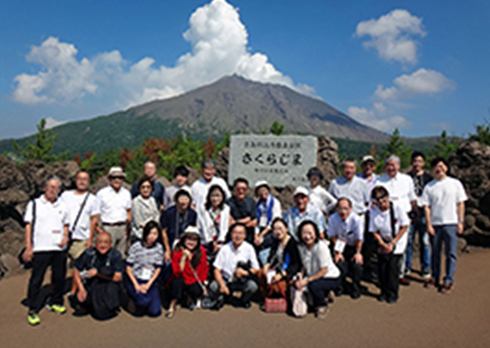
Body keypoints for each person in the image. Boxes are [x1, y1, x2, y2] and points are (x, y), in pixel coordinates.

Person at [23, 177, 70, 326]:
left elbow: (66, 225)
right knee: (37, 278)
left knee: (59, 276)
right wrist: (28, 247)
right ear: (44, 188)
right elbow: (28, 226)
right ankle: (33, 307)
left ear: (59, 190)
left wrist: (66, 237)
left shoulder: (63, 205)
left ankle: (55, 301)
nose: (52, 190)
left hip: (58, 247)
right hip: (40, 247)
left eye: (56, 187)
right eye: (50, 186)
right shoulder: (35, 204)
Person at [422, 157, 467, 293]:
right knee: (435, 252)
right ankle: (435, 276)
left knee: (451, 253)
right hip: (436, 224)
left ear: (446, 168)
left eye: (441, 166)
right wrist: (429, 225)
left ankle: (448, 279)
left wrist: (461, 221)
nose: (439, 168)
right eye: (436, 166)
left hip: (451, 223)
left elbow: (460, 203)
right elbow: (426, 207)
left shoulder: (455, 183)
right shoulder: (429, 186)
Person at [375, 155, 416, 285]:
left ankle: (400, 273)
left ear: (398, 166)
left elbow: (412, 197)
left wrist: (414, 213)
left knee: (402, 247)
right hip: (385, 218)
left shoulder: (407, 179)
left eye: (393, 165)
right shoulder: (379, 180)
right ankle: (386, 275)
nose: (391, 168)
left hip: (403, 217)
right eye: (388, 165)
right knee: (386, 246)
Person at [61, 171, 100, 297]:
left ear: (89, 182)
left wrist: (90, 238)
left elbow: (94, 220)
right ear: (75, 180)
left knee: (78, 267)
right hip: (63, 237)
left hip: (81, 238)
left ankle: (74, 291)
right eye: (79, 179)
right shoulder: (65, 195)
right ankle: (55, 291)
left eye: (85, 179)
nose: (82, 181)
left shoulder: (93, 199)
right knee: (59, 267)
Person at [369, 186, 410, 304]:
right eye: (378, 201)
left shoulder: (397, 208)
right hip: (383, 241)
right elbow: (373, 230)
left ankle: (392, 293)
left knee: (392, 269)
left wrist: (393, 242)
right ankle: (383, 291)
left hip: (397, 239)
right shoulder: (374, 212)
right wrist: (382, 243)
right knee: (382, 269)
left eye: (383, 199)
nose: (381, 203)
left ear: (387, 197)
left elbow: (404, 226)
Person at [70, 232, 124, 320]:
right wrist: (81, 288)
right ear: (95, 243)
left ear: (110, 244)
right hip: (92, 283)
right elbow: (76, 269)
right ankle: (89, 304)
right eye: (100, 242)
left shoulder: (116, 255)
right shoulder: (89, 253)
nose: (103, 245)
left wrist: (98, 274)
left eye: (106, 242)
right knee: (77, 302)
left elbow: (117, 278)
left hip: (108, 284)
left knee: (102, 314)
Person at [295, 220, 340, 319]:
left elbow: (324, 270)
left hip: (330, 276)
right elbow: (304, 264)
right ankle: (325, 293)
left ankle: (322, 305)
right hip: (313, 275)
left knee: (313, 286)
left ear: (315, 233)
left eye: (310, 233)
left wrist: (306, 281)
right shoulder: (301, 246)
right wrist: (301, 275)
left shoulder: (321, 247)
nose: (307, 236)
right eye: (304, 233)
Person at [209, 223, 260, 309]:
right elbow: (216, 269)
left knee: (252, 286)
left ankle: (244, 300)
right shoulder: (224, 248)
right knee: (214, 286)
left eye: (240, 233)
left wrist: (245, 272)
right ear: (231, 234)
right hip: (226, 279)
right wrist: (222, 285)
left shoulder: (249, 248)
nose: (238, 236)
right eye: (235, 232)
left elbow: (256, 268)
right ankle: (224, 296)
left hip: (241, 281)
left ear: (244, 235)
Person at [166, 226, 208, 318]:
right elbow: (177, 272)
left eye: (194, 240)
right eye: (189, 239)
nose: (191, 242)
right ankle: (172, 305)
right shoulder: (177, 251)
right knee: (177, 283)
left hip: (193, 279)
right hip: (180, 278)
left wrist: (203, 283)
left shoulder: (201, 252)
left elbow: (203, 269)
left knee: (197, 290)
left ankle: (189, 297)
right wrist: (183, 258)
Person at [327, 198, 364, 299]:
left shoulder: (357, 220)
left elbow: (359, 238)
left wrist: (358, 253)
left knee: (357, 265)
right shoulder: (333, 218)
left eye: (345, 208)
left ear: (351, 209)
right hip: (339, 244)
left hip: (354, 245)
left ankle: (356, 287)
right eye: (340, 208)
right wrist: (338, 252)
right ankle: (340, 287)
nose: (342, 211)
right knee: (339, 263)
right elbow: (333, 236)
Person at [125, 221, 164, 317]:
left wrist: (148, 285)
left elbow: (158, 268)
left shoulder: (159, 248)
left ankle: (145, 300)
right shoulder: (136, 246)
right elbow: (128, 266)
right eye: (150, 233)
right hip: (136, 279)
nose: (152, 237)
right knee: (143, 302)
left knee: (155, 312)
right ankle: (129, 300)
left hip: (150, 281)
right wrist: (136, 285)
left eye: (155, 234)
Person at [406, 151, 433, 278]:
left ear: (423, 163)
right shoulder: (406, 178)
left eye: (420, 161)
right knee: (408, 241)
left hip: (424, 213)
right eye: (415, 161)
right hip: (410, 214)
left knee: (425, 241)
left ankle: (425, 267)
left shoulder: (429, 179)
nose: (417, 164)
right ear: (411, 162)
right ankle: (407, 266)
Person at [259, 218, 301, 298]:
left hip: (287, 273)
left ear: (286, 228)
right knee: (261, 274)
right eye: (275, 229)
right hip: (276, 270)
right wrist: (266, 265)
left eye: (280, 229)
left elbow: (296, 264)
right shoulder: (276, 242)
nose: (278, 232)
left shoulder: (292, 244)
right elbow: (271, 257)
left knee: (278, 288)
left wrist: (282, 274)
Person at [96, 167, 132, 256]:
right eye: (114, 177)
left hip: (122, 227)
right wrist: (99, 230)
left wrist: (128, 228)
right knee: (106, 254)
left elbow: (128, 211)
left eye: (120, 178)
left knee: (121, 254)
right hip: (107, 227)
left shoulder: (126, 193)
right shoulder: (102, 193)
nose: (117, 180)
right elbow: (95, 213)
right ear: (109, 179)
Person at [160, 187, 197, 263]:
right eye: (181, 199)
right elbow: (163, 231)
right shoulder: (168, 213)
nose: (183, 202)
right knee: (168, 263)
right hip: (170, 243)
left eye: (186, 199)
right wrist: (167, 249)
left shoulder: (192, 214)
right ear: (176, 200)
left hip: (187, 244)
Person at [254, 180, 282, 265]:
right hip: (261, 230)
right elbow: (257, 221)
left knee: (263, 242)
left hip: (272, 230)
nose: (263, 192)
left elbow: (274, 220)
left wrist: (261, 235)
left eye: (264, 189)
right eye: (260, 190)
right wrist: (256, 234)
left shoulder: (275, 202)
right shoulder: (258, 205)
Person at [197, 184, 231, 254]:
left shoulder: (226, 209)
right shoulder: (203, 209)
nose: (215, 199)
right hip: (206, 241)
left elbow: (225, 227)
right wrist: (210, 242)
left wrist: (219, 242)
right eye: (212, 196)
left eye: (218, 195)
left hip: (220, 242)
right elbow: (203, 227)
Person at [227, 178, 257, 244]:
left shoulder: (252, 202)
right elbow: (229, 222)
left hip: (248, 237)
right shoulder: (228, 203)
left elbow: (253, 221)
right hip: (232, 237)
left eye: (244, 189)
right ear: (234, 189)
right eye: (238, 189)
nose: (241, 191)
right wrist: (245, 221)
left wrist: (236, 222)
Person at [130, 176, 159, 243]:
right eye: (143, 187)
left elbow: (156, 215)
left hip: (153, 234)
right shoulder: (136, 201)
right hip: (140, 234)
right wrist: (149, 226)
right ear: (139, 189)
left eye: (148, 187)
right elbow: (138, 221)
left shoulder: (152, 200)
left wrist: (154, 226)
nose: (145, 190)